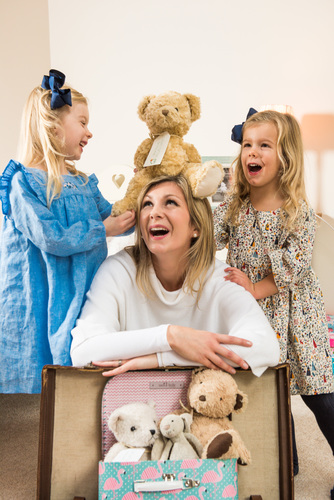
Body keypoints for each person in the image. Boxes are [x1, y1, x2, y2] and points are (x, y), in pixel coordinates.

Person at [213, 109, 334, 481]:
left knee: (320, 396)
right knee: (270, 394)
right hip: (253, 317)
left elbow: (294, 266)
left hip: (297, 315)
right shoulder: (233, 207)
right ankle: (287, 464)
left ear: (286, 157)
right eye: (248, 144)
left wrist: (255, 286)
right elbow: (206, 237)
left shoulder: (298, 212)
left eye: (265, 145)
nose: (253, 151)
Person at [0, 70, 135, 394]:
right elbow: (51, 236)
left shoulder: (84, 182)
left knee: (82, 364)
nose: (90, 132)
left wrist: (146, 194)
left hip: (81, 290)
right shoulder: (24, 183)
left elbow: (116, 216)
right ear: (53, 126)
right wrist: (104, 229)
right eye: (83, 122)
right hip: (39, 291)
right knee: (35, 368)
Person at [70, 174, 280, 379]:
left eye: (170, 202)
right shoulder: (118, 270)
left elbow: (265, 347)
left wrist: (161, 358)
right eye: (147, 204)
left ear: (195, 226)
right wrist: (171, 336)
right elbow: (83, 351)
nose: (154, 213)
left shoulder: (219, 277)